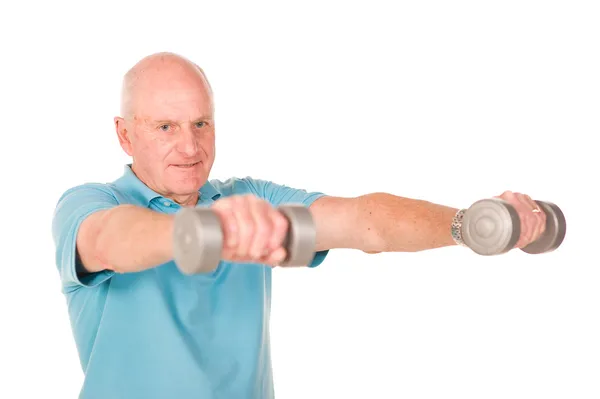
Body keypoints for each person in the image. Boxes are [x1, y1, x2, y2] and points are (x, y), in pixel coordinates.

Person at [51, 52, 546, 399]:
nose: (189, 146)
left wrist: (470, 224)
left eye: (201, 124)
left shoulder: (253, 202)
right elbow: (113, 241)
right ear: (124, 133)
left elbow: (363, 224)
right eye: (166, 127)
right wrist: (207, 230)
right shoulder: (91, 203)